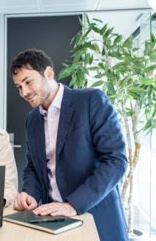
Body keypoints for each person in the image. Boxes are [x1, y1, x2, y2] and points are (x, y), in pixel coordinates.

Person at [11, 49, 128, 240]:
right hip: (52, 218)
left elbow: (115, 161)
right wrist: (30, 193)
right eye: (19, 86)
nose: (24, 92)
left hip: (94, 214)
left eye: (28, 82)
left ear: (49, 73)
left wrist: (73, 204)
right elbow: (33, 166)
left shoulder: (91, 100)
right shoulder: (31, 120)